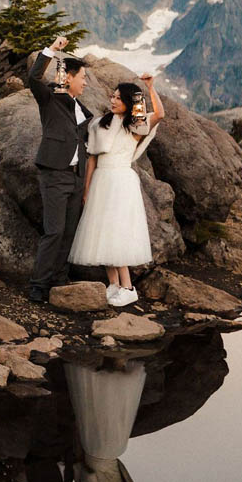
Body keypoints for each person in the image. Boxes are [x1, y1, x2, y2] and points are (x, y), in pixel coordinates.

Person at [67, 74, 165, 307]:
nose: (113, 100)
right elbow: (92, 159)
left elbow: (159, 114)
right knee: (102, 233)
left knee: (117, 233)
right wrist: (86, 189)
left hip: (121, 182)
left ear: (129, 102)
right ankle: (113, 285)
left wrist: (150, 87)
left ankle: (128, 287)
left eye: (119, 98)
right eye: (112, 96)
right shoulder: (100, 123)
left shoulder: (135, 126)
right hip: (102, 180)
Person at [27, 36, 94, 304]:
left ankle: (59, 279)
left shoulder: (83, 109)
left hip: (76, 177)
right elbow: (33, 79)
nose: (86, 82)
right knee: (53, 231)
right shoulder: (51, 99)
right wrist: (51, 51)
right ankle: (38, 286)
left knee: (68, 232)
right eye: (83, 78)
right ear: (70, 78)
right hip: (54, 173)